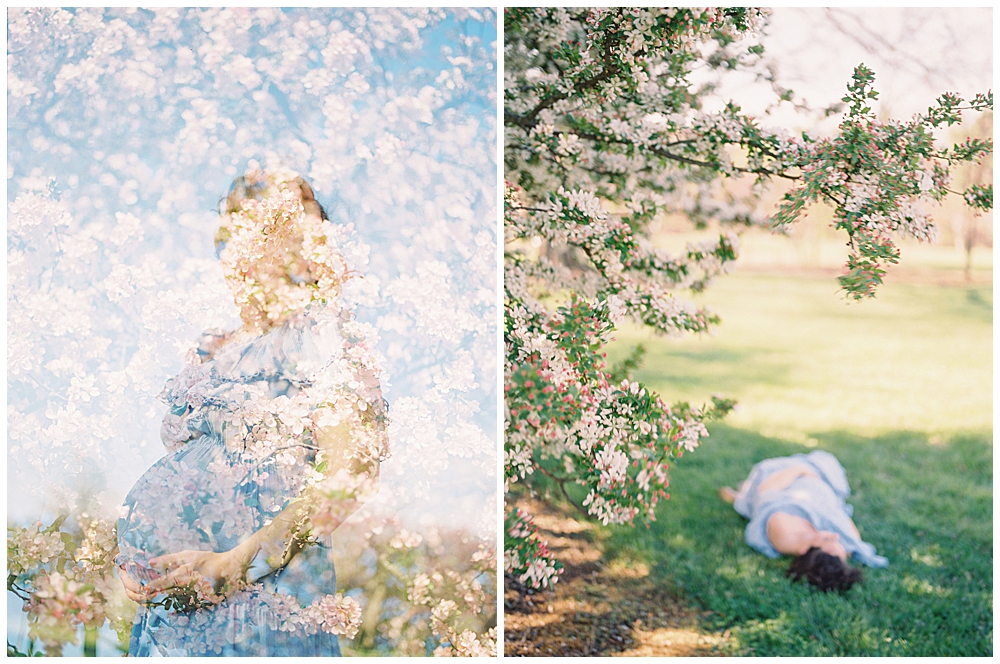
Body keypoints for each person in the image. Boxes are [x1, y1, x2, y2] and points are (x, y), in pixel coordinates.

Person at [114, 168, 389, 655]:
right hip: (169, 613)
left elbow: (352, 473)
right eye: (238, 223)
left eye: (280, 225)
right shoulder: (214, 349)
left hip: (261, 604)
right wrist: (139, 556)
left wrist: (237, 563)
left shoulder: (321, 336)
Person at [719, 450, 887, 592]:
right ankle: (742, 494)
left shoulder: (784, 534)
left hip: (789, 483)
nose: (836, 536)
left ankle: (741, 495)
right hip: (815, 486)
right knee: (826, 463)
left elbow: (767, 491)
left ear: (806, 549)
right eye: (840, 546)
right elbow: (846, 526)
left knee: (760, 483)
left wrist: (800, 471)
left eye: (828, 540)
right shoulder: (841, 545)